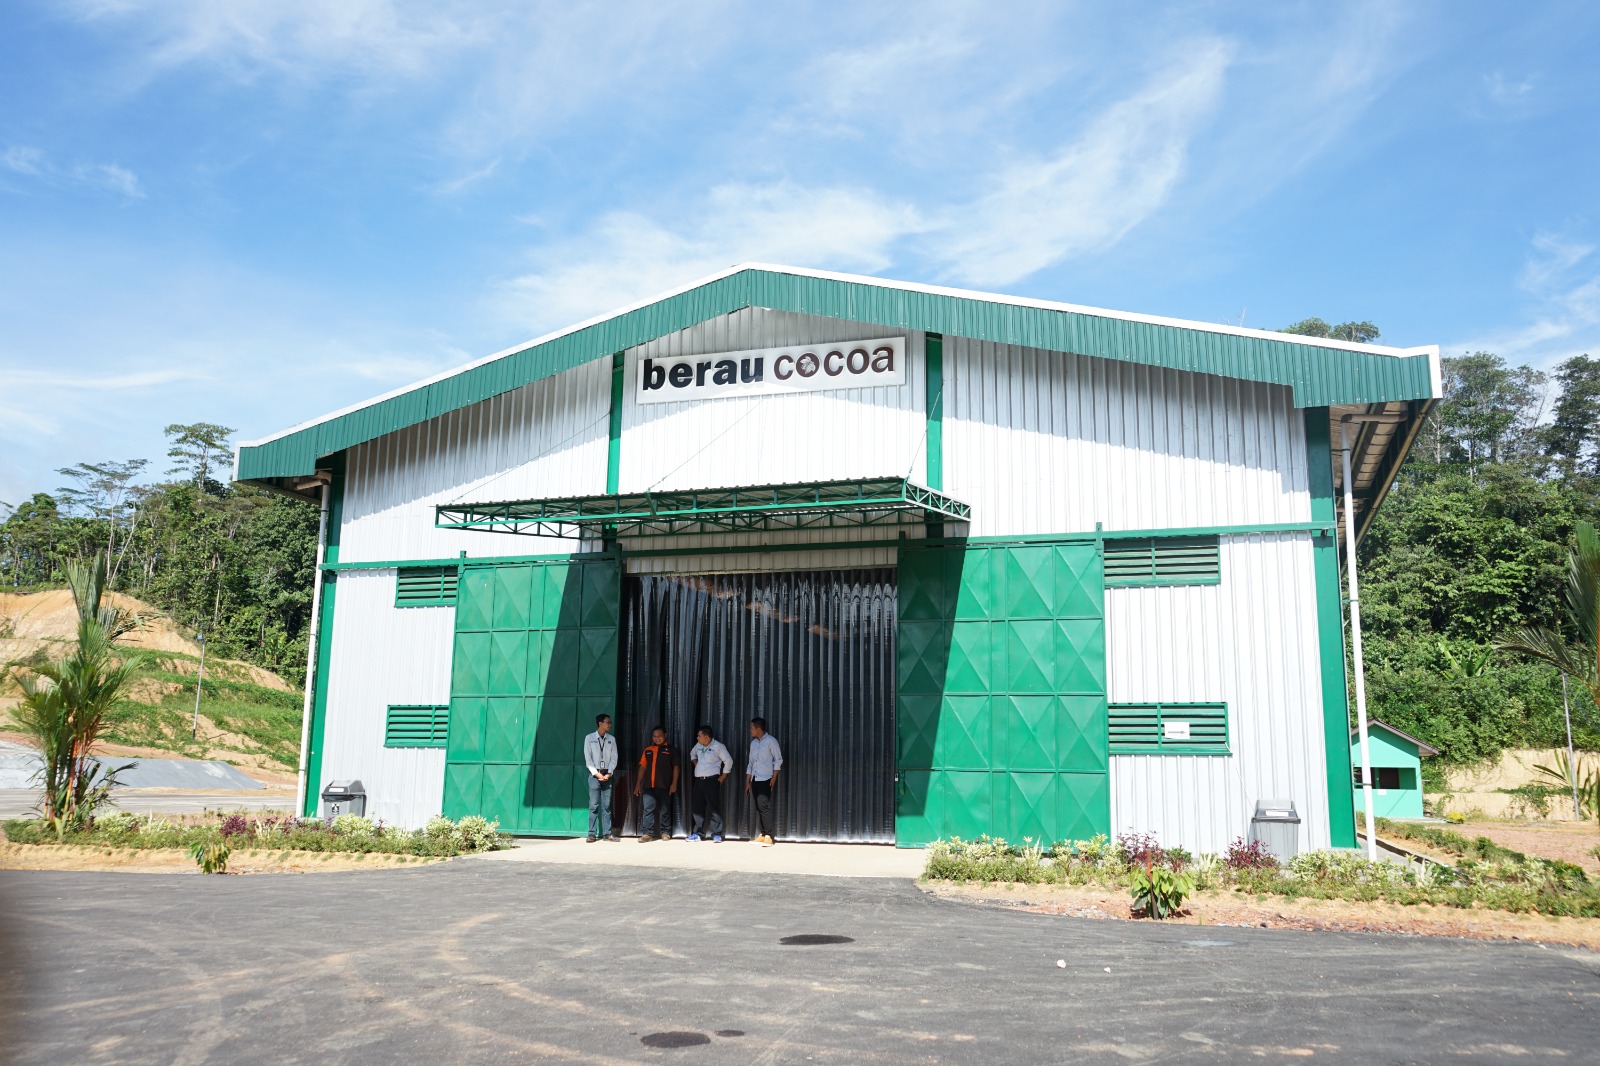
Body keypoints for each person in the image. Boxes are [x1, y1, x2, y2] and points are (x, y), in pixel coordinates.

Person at [633, 725, 680, 842]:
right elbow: (643, 767)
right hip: (649, 786)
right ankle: (647, 833)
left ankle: (665, 832)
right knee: (648, 810)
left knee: (665, 810)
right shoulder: (648, 750)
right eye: (654, 736)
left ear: (665, 735)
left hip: (665, 785)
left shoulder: (672, 750)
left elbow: (676, 767)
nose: (657, 738)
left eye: (659, 736)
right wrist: (638, 784)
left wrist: (674, 783)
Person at [687, 725, 733, 842]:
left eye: (699, 736)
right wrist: (697, 764)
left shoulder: (718, 746)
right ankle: (698, 834)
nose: (697, 738)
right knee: (698, 807)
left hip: (712, 780)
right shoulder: (698, 745)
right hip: (698, 781)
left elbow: (728, 761)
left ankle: (716, 834)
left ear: (706, 737)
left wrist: (723, 777)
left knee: (714, 807)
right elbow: (692, 754)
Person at [745, 717, 783, 846]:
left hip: (765, 778)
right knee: (758, 806)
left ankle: (769, 836)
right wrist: (747, 781)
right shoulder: (753, 744)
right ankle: (762, 834)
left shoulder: (771, 741)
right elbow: (750, 763)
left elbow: (778, 760)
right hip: (755, 779)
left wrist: (774, 778)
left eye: (751, 728)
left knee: (764, 806)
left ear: (758, 728)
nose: (750, 730)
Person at [582, 713, 619, 842]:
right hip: (594, 775)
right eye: (607, 722)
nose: (609, 724)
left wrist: (609, 773)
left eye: (610, 722)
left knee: (606, 806)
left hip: (607, 775)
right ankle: (591, 834)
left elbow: (614, 757)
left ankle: (607, 834)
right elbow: (588, 758)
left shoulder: (611, 739)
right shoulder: (589, 738)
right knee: (593, 805)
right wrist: (596, 774)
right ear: (600, 723)